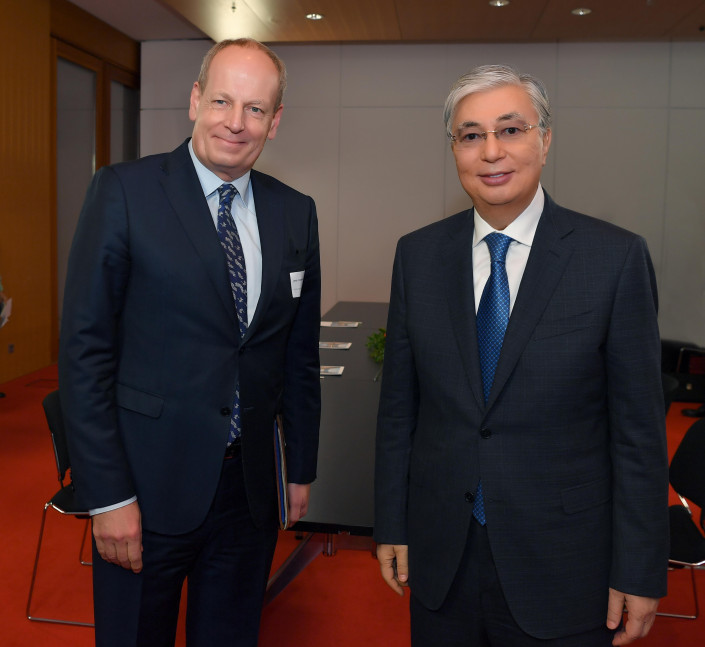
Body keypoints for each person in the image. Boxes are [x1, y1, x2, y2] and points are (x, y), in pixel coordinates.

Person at [374, 65, 668, 647]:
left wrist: (638, 568)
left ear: (545, 139)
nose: (491, 152)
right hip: (442, 557)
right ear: (454, 148)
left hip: (565, 563)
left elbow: (638, 434)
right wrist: (391, 522)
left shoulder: (613, 259)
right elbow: (399, 412)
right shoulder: (417, 256)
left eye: (510, 130)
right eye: (471, 135)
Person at [59, 38, 321, 647]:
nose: (236, 122)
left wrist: (299, 467)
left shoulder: (295, 212)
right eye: (223, 101)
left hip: (249, 492)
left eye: (256, 109)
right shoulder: (123, 192)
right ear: (195, 100)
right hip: (143, 489)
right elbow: (84, 355)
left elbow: (297, 355)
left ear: (275, 121)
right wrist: (108, 496)